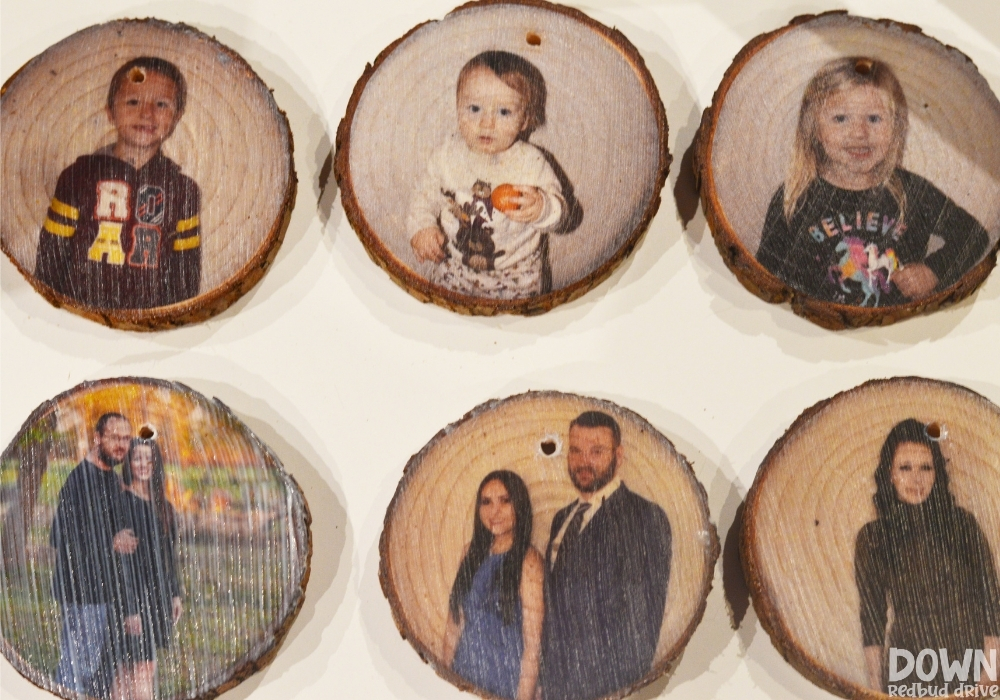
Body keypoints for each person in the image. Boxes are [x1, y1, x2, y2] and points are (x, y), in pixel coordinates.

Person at [756, 57, 990, 308]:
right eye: (840, 119)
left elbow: (973, 235)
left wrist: (933, 270)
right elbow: (767, 277)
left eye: (874, 119)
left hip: (898, 328)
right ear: (813, 126)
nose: (859, 133)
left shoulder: (913, 191)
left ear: (896, 127)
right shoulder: (793, 197)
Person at [35, 56, 201, 310]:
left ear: (176, 117)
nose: (147, 113)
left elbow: (185, 274)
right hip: (75, 318)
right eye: (133, 101)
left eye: (161, 104)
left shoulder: (184, 191)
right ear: (110, 112)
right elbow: (51, 257)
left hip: (147, 327)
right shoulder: (77, 177)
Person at [407, 50, 569, 299]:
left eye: (504, 112)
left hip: (517, 274)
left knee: (513, 328)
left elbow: (561, 214)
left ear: (524, 120)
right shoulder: (446, 155)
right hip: (455, 266)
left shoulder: (531, 162)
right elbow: (424, 195)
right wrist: (421, 227)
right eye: (474, 108)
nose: (486, 123)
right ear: (458, 106)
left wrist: (543, 208)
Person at [855, 419, 1000, 692]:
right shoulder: (873, 537)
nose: (916, 479)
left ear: (937, 472)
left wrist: (988, 674)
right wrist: (875, 688)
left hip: (968, 667)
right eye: (905, 468)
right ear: (889, 473)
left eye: (926, 467)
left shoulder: (962, 525)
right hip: (908, 670)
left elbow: (991, 600)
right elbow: (872, 617)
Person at [541, 411, 672, 700]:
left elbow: (641, 624)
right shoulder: (562, 518)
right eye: (575, 451)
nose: (583, 461)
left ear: (619, 455)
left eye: (596, 451)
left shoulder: (643, 516)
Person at [50, 413, 137, 698]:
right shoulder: (79, 480)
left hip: (102, 592)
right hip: (82, 593)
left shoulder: (109, 478)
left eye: (126, 438)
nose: (121, 445)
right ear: (98, 438)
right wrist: (111, 542)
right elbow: (60, 538)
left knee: (90, 670)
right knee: (75, 670)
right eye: (115, 437)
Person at [443, 471, 544, 700]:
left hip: (505, 685)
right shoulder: (470, 553)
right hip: (463, 676)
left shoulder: (529, 562)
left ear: (519, 506)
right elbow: (453, 626)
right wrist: (443, 679)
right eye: (486, 502)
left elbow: (533, 647)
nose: (494, 511)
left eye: (505, 501)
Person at [109, 437, 182, 700]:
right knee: (134, 670)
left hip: (156, 600)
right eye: (138, 457)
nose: (144, 464)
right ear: (128, 461)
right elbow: (123, 563)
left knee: (139, 670)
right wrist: (130, 609)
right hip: (134, 602)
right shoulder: (122, 504)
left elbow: (168, 556)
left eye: (149, 459)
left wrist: (174, 594)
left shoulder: (163, 506)